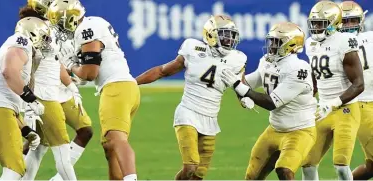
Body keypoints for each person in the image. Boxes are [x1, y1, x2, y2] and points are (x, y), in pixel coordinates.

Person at [136, 15, 247, 180]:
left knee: (198, 175)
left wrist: (244, 97)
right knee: (190, 166)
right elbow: (162, 71)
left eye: (231, 35)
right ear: (210, 35)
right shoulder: (193, 49)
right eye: (224, 34)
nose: (229, 40)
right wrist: (132, 83)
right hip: (188, 113)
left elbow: (242, 87)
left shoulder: (237, 59)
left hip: (210, 118)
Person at [48, 0, 140, 180]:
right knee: (110, 147)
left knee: (116, 141)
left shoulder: (85, 30)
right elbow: (88, 73)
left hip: (116, 87)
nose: (60, 29)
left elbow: (89, 73)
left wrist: (71, 67)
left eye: (60, 23)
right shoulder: (94, 22)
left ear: (69, 20)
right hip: (124, 87)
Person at [222, 22, 317, 180]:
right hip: (274, 128)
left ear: (291, 45)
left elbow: (272, 102)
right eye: (271, 40)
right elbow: (248, 84)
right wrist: (234, 76)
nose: (271, 45)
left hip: (300, 131)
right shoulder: (267, 61)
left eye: (277, 41)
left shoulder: (299, 68)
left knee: (284, 170)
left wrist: (241, 88)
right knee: (252, 176)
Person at [17, 1, 89, 180]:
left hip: (46, 95)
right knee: (59, 150)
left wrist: (71, 85)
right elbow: (28, 68)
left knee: (39, 146)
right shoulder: (36, 31)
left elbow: (55, 63)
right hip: (46, 97)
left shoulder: (44, 30)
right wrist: (29, 100)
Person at [300, 1, 365, 180]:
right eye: (314, 23)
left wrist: (334, 103)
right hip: (322, 109)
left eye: (321, 23)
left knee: (341, 165)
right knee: (307, 163)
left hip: (345, 110)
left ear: (334, 23)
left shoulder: (344, 41)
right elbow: (315, 75)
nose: (316, 27)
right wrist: (308, 98)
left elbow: (359, 83)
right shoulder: (311, 43)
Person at [0, 17, 47, 180]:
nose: (45, 42)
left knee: (16, 169)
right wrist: (32, 99)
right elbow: (9, 72)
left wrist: (25, 130)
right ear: (33, 33)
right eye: (43, 37)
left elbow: (7, 102)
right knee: (13, 171)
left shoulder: (19, 45)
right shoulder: (21, 41)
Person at [339, 1, 373, 179]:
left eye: (352, 21)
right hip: (361, 104)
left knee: (371, 166)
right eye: (345, 21)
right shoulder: (335, 46)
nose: (349, 25)